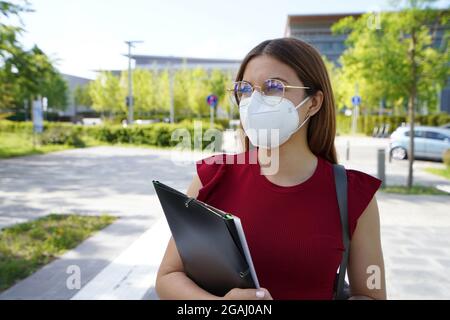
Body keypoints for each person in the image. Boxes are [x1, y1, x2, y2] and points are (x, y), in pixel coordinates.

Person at [156, 38, 386, 300]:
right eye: (245, 89)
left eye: (273, 87)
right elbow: (168, 277)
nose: (254, 101)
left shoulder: (355, 196)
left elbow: (372, 294)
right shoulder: (212, 177)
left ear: (314, 103)